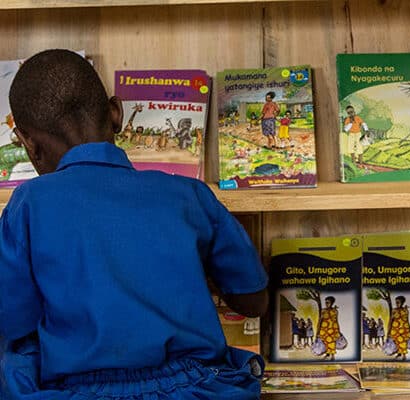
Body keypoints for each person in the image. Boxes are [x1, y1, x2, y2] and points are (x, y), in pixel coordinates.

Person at [0, 49, 269, 400]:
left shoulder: (28, 204)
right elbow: (255, 302)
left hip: (80, 389)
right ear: (116, 114)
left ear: (29, 144)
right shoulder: (188, 194)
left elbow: (14, 320)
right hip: (195, 388)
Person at [388, 296, 410, 361]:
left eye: (398, 302)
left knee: (403, 341)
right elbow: (391, 320)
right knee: (396, 341)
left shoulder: (405, 310)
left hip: (404, 329)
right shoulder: (394, 310)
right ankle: (399, 353)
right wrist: (389, 329)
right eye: (396, 302)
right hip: (395, 329)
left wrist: (409, 329)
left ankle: (404, 355)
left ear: (402, 302)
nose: (397, 303)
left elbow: (407, 320)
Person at [317, 296, 341, 361]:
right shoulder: (323, 310)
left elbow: (336, 321)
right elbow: (320, 320)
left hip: (333, 329)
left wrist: (338, 330)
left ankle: (332, 356)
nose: (326, 304)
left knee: (332, 342)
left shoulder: (335, 311)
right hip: (324, 329)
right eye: (326, 302)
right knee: (325, 342)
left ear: (332, 303)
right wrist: (318, 330)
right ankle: (327, 354)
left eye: (328, 302)